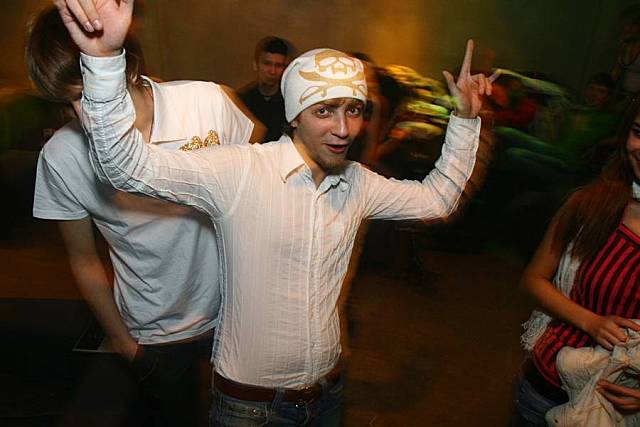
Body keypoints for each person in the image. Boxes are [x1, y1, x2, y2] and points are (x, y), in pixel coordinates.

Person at [53, 0, 497, 424]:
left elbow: (437, 200)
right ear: (295, 116)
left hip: (327, 393)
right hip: (250, 408)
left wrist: (464, 121)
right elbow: (125, 166)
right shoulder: (240, 172)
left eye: (354, 110)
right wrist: (104, 60)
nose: (344, 129)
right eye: (324, 111)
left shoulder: (358, 183)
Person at [28, 6, 260, 426]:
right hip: (155, 335)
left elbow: (255, 159)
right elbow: (83, 259)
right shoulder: (62, 156)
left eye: (89, 92)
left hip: (236, 315)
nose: (86, 114)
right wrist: (126, 346)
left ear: (128, 66)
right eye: (72, 100)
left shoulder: (205, 101)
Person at [514, 96, 640, 425]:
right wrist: (592, 322)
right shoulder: (590, 204)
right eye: (639, 132)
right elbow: (533, 279)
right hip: (547, 390)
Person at [237, 36, 289, 143]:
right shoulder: (241, 100)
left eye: (278, 65)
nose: (272, 71)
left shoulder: (289, 102)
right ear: (256, 65)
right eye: (267, 64)